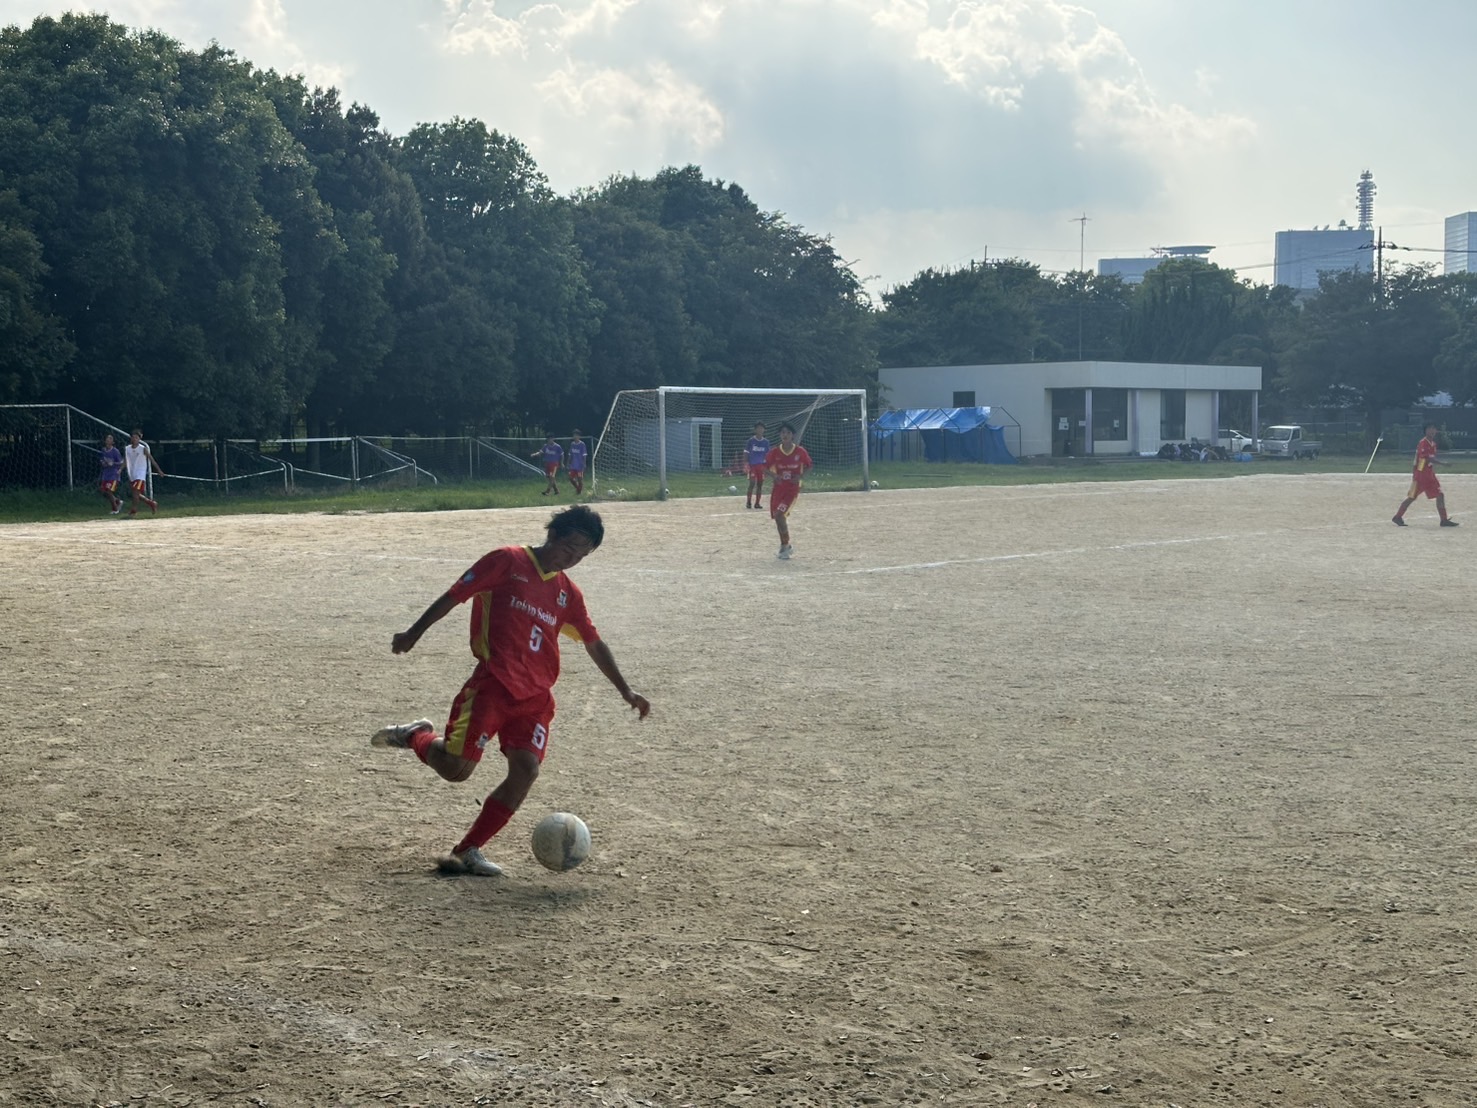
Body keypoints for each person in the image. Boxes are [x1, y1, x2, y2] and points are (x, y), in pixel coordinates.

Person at [371, 505, 651, 876]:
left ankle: (467, 850)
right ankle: (416, 736)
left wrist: (625, 690)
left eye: (581, 556)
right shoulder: (507, 561)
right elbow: (455, 595)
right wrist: (414, 632)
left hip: (535, 698)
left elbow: (593, 642)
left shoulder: (568, 593)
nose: (572, 560)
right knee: (456, 770)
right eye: (569, 548)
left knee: (526, 769)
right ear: (553, 534)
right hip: (494, 686)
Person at [1393, 422, 1458, 527]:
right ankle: (1397, 516)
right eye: (1430, 428)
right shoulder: (1423, 443)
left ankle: (1444, 520)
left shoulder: (1433, 444)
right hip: (1421, 475)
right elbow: (1426, 458)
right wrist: (1442, 463)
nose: (1432, 431)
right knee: (1412, 496)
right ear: (1425, 430)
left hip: (1429, 474)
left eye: (1434, 428)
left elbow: (1429, 459)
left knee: (1439, 495)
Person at [764, 422, 813, 560]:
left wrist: (800, 476)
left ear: (792, 435)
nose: (785, 435)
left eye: (788, 433)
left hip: (791, 489)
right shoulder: (774, 452)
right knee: (778, 517)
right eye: (783, 433)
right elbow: (764, 467)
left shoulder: (800, 451)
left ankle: (786, 546)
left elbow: (809, 466)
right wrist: (774, 475)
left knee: (780, 515)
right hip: (778, 489)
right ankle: (784, 545)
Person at [124, 428, 165, 516]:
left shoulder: (142, 449)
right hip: (132, 473)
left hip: (140, 474)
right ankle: (151, 503)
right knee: (136, 494)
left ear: (139, 439)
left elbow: (151, 459)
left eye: (136, 437)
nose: (135, 439)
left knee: (135, 492)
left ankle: (134, 509)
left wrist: (159, 470)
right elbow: (126, 460)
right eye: (133, 437)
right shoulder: (127, 449)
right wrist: (120, 469)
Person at [744, 422, 771, 510]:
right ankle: (748, 502)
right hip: (752, 466)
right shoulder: (751, 441)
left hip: (761, 467)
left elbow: (767, 454)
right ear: (755, 430)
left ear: (764, 430)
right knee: (752, 483)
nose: (760, 430)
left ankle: (757, 503)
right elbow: (746, 452)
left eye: (762, 428)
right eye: (758, 428)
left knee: (760, 484)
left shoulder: (766, 442)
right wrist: (746, 463)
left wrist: (767, 466)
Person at [97, 434, 124, 515]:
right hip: (106, 474)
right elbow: (101, 459)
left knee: (109, 491)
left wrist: (113, 463)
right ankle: (118, 501)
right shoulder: (103, 450)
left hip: (113, 474)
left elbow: (121, 462)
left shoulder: (115, 451)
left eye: (110, 439)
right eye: (107, 439)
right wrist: (103, 463)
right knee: (103, 491)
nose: (108, 440)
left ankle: (115, 509)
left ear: (113, 442)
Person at [567, 430, 587, 496]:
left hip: (579, 465)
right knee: (570, 478)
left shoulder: (582, 444)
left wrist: (584, 464)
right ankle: (578, 488)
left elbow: (584, 455)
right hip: (573, 465)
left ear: (579, 436)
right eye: (574, 435)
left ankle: (579, 492)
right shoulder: (572, 444)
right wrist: (568, 462)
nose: (575, 436)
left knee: (579, 479)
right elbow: (570, 454)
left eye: (576, 435)